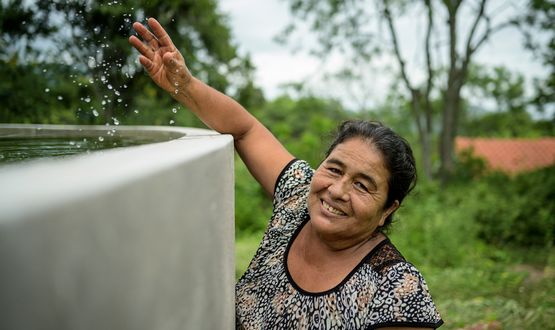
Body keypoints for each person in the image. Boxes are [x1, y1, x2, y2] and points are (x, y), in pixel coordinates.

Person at [129, 18, 443, 330]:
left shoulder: (397, 290)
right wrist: (183, 84)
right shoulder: (298, 196)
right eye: (334, 169)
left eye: (362, 185)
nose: (336, 191)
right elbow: (245, 130)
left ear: (388, 209)